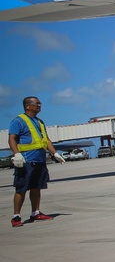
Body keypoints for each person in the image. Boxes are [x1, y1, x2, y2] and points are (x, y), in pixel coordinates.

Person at [8, 96, 65, 227]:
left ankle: (35, 212)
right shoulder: (18, 121)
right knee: (21, 188)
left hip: (39, 160)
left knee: (36, 187)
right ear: (28, 106)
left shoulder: (39, 122)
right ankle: (16, 216)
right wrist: (17, 154)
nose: (39, 106)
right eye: (37, 104)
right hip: (26, 160)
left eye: (40, 104)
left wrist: (54, 153)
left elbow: (46, 140)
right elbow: (12, 138)